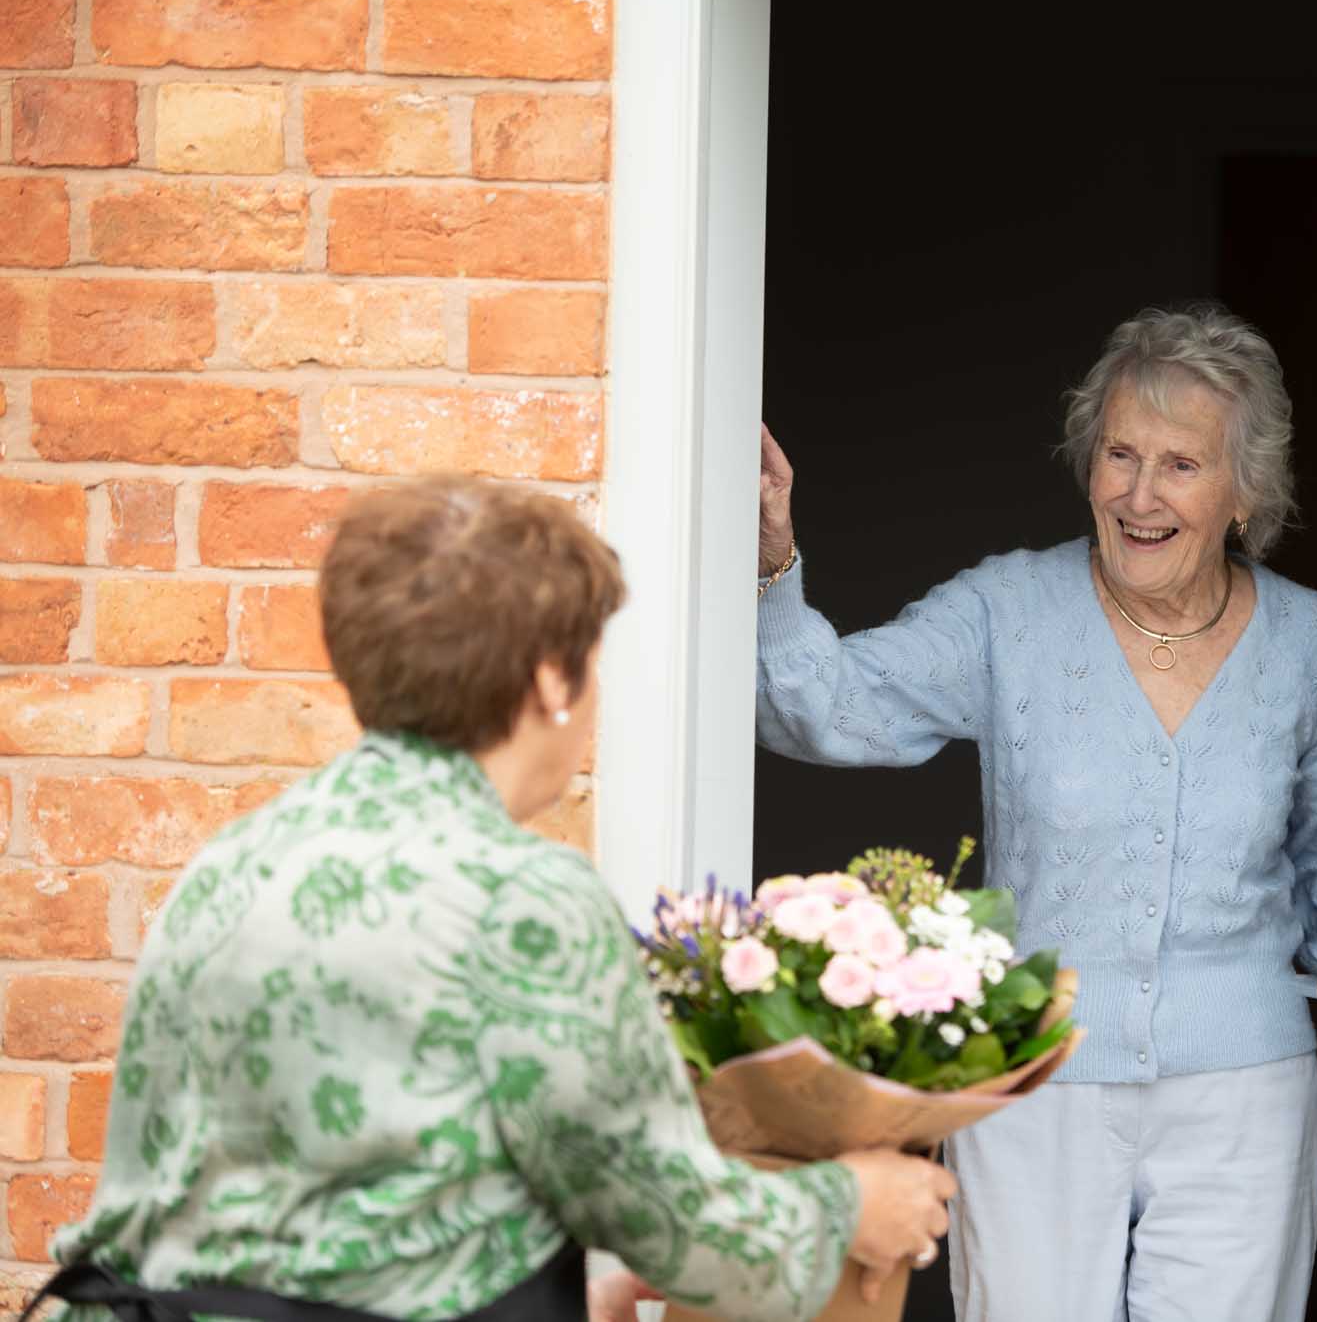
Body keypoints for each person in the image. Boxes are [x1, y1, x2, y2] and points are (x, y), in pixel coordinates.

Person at [35, 478, 954, 1322]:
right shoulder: (522, 898)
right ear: (553, 680)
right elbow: (679, 1223)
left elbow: (313, 1212)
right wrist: (854, 1204)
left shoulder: (233, 861)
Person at [755, 305, 1317, 1320]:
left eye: (1179, 464)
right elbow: (824, 708)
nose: (1137, 493)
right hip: (1036, 1084)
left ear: (1243, 490)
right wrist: (773, 566)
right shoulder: (1007, 613)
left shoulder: (1311, 644)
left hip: (1245, 1092)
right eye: (1118, 454)